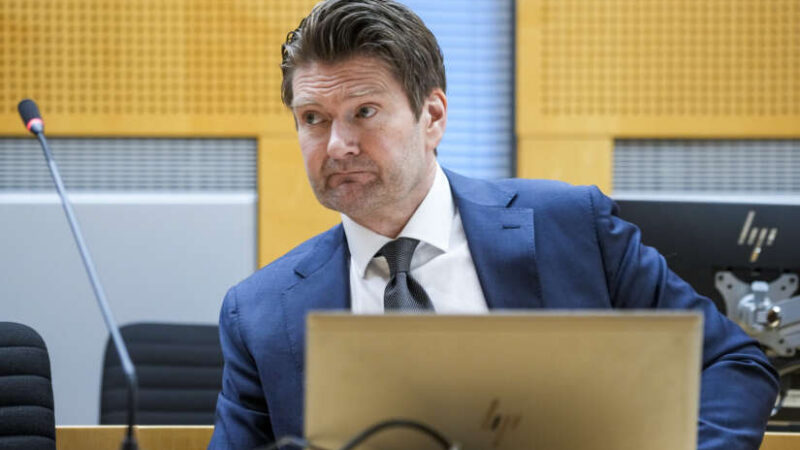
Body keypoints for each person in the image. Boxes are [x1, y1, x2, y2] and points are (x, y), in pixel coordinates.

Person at [208, 1, 779, 448]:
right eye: (313, 118)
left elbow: (732, 364)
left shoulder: (571, 227)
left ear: (432, 116)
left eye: (364, 112)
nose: (337, 145)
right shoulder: (258, 313)